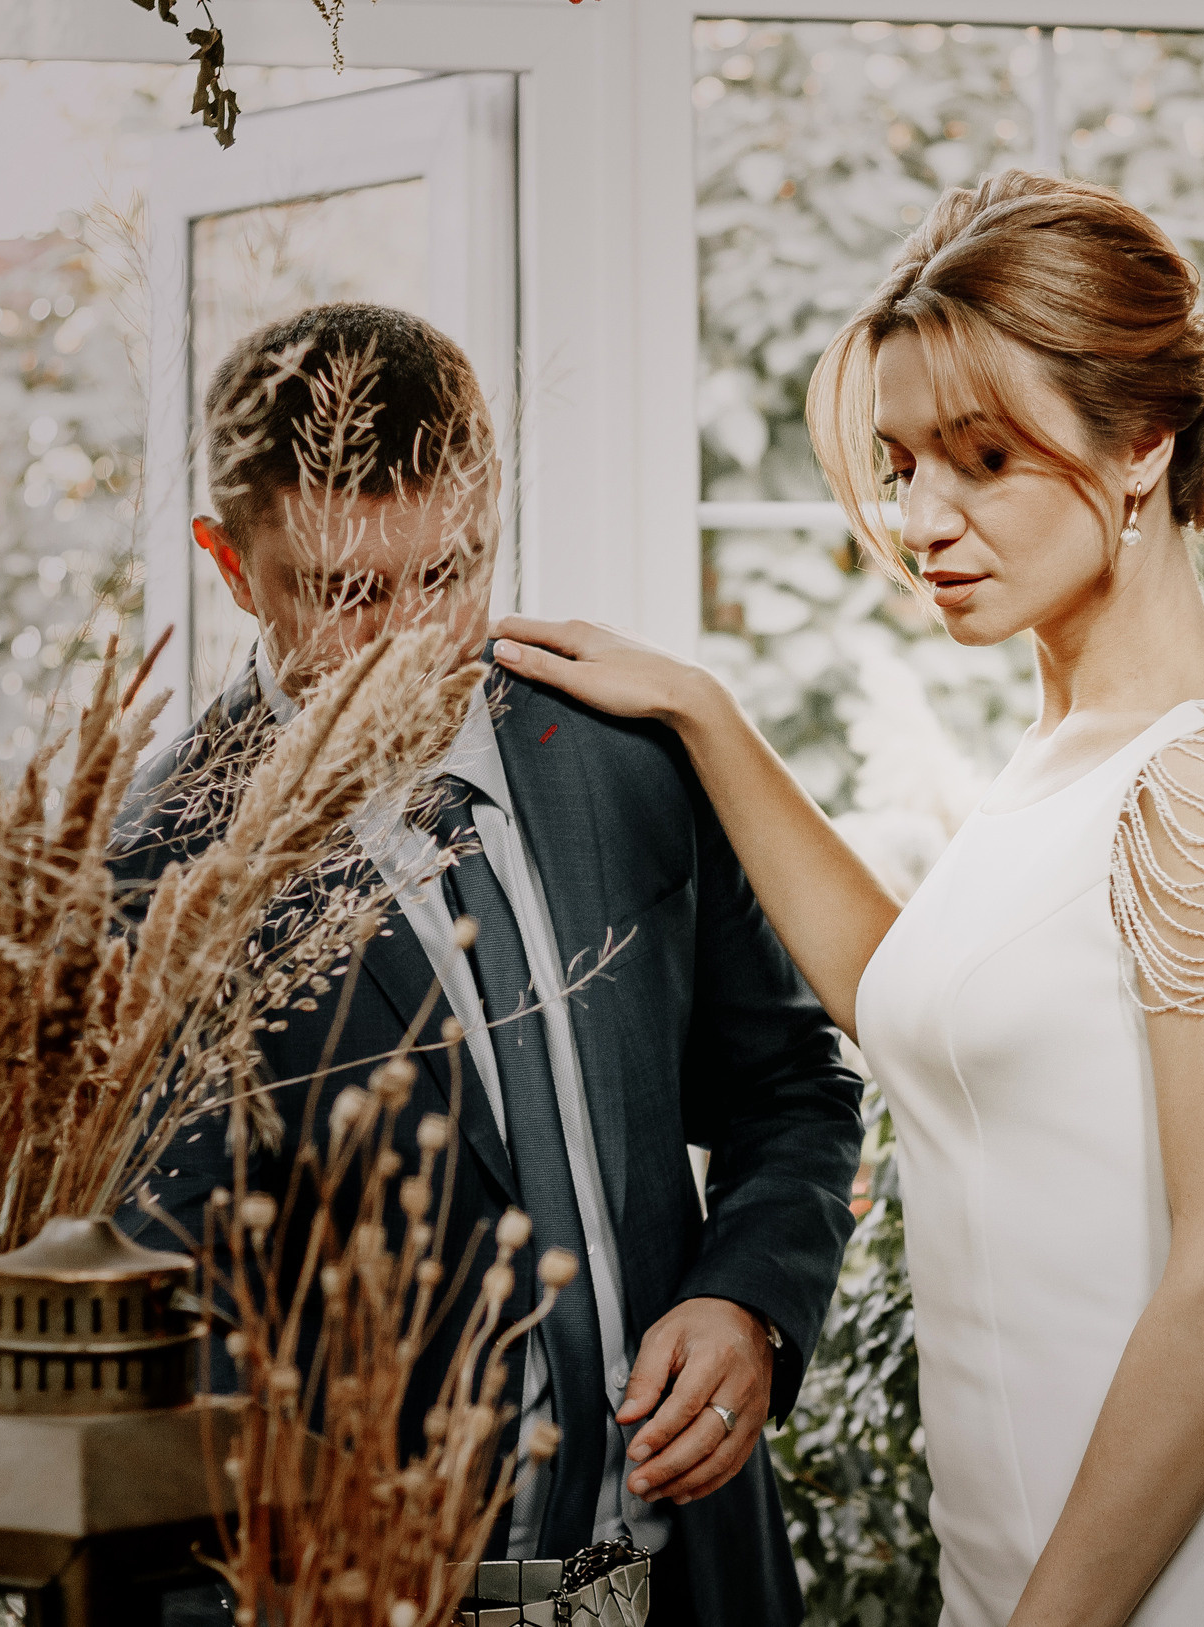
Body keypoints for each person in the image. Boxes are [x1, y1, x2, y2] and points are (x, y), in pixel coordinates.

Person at [492, 171, 1204, 1626]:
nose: (925, 516)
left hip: (1193, 1586)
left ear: (1144, 446)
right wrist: (710, 719)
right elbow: (907, 997)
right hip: (1036, 1573)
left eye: (984, 457)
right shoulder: (1069, 754)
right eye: (906, 462)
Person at [111, 302, 864, 1627]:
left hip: (690, 1583)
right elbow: (161, 1329)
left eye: (449, 573)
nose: (412, 638)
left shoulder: (636, 754)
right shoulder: (156, 878)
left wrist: (750, 1302)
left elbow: (790, 1090)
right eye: (348, 591)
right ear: (230, 564)